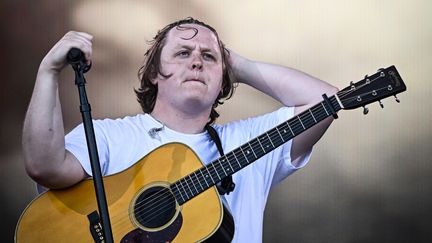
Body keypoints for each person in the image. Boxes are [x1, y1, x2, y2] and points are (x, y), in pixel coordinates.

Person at [22, 17, 338, 242]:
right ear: (155, 73)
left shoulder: (246, 142)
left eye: (209, 57)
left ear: (224, 79)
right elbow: (43, 166)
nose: (197, 62)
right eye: (183, 53)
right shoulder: (108, 136)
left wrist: (235, 65)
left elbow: (326, 102)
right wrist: (48, 71)